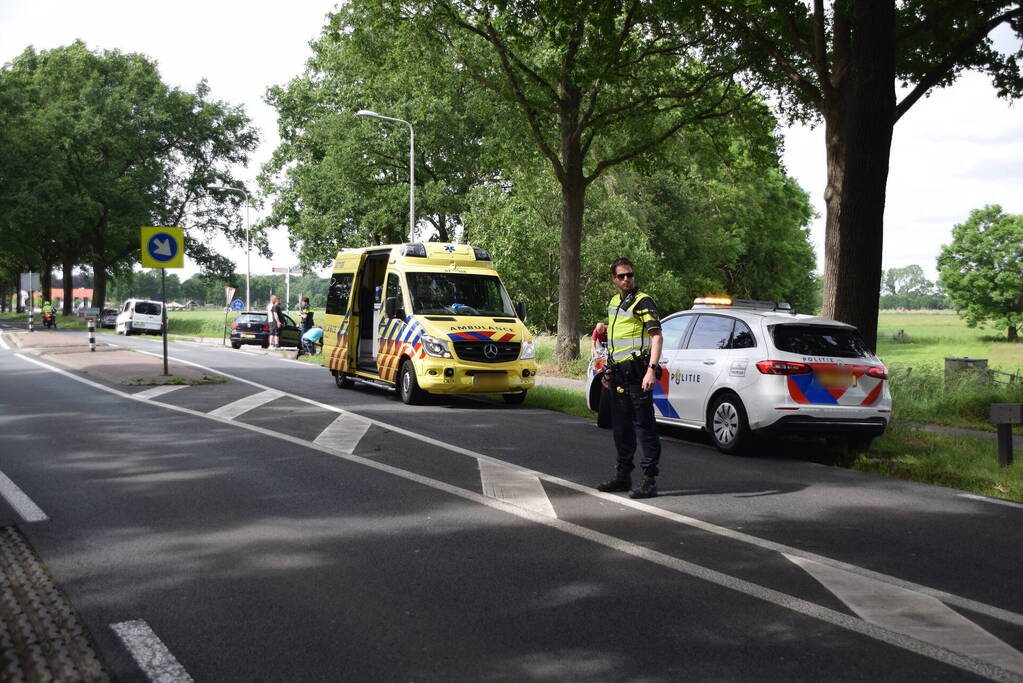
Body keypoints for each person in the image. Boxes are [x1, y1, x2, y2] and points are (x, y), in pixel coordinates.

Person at [596, 257, 664, 499]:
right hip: (618, 374)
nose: (627, 279)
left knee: (645, 427)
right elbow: (617, 342)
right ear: (614, 279)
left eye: (630, 275)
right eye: (622, 276)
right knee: (621, 428)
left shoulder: (643, 301)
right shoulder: (615, 302)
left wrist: (650, 370)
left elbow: (656, 337)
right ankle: (623, 476)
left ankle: (649, 480)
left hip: (637, 373)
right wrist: (607, 369)